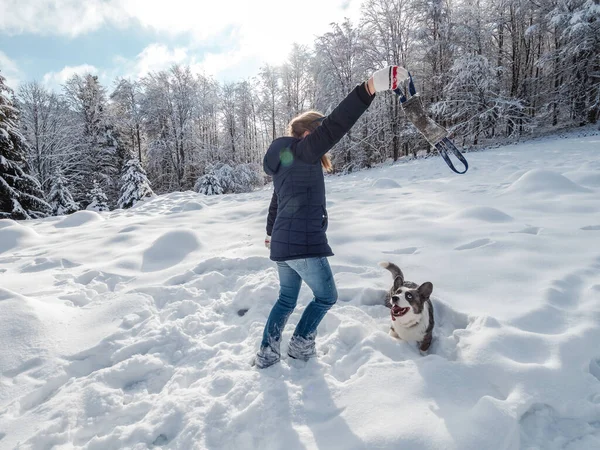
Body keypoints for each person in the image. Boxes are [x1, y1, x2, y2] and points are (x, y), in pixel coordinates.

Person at [255, 66, 410, 369]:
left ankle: (267, 352)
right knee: (326, 297)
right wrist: (369, 88)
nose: (325, 140)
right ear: (310, 133)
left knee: (286, 300)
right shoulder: (305, 150)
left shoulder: (286, 161)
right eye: (320, 132)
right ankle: (300, 346)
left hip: (283, 247)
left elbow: (277, 201)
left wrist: (271, 233)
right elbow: (337, 123)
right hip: (304, 244)